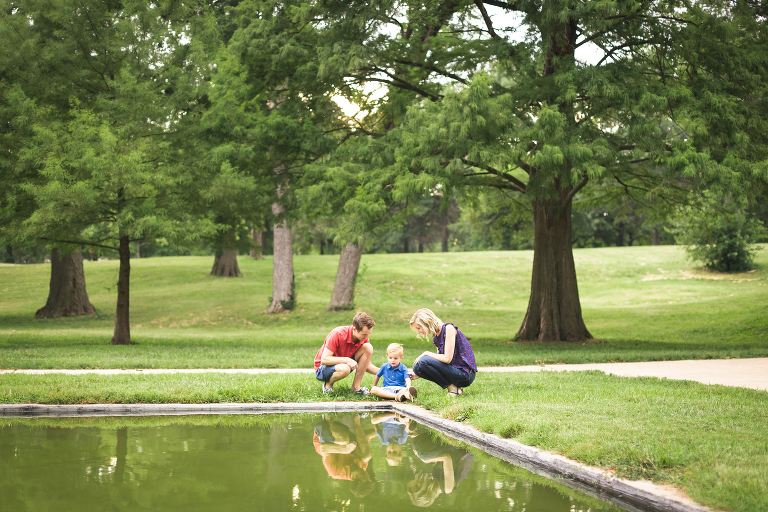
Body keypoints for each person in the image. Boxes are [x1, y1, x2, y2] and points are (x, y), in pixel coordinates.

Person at [409, 308, 477, 397]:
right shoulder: (436, 336)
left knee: (423, 360)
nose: (418, 332)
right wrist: (420, 373)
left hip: (465, 374)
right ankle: (454, 388)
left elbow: (447, 359)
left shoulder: (449, 328)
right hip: (454, 371)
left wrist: (426, 353)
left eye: (418, 328)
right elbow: (438, 363)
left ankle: (453, 389)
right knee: (417, 368)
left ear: (426, 323)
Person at [315, 312, 378, 395]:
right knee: (345, 368)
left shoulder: (363, 339)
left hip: (343, 365)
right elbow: (324, 359)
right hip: (322, 369)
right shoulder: (337, 334)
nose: (366, 337)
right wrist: (347, 360)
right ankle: (328, 385)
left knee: (368, 347)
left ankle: (355, 388)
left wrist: (384, 371)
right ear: (355, 329)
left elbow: (365, 365)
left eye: (368, 334)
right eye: (364, 334)